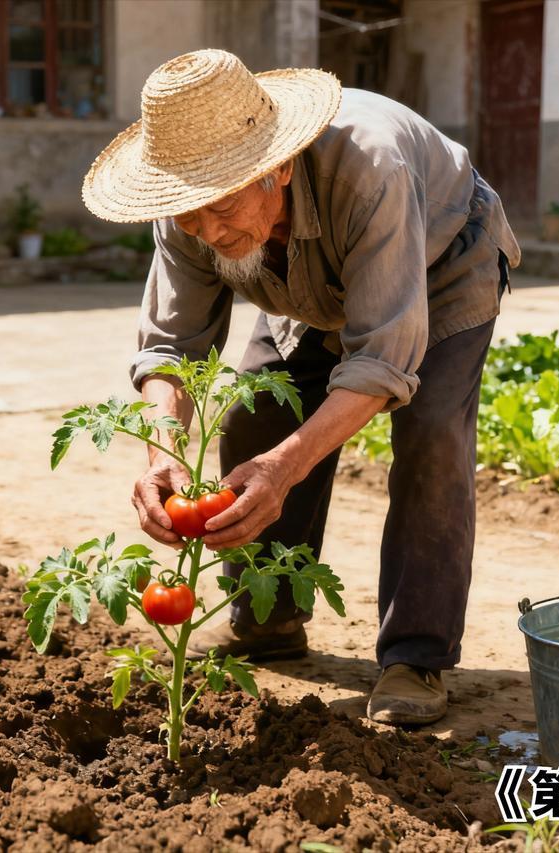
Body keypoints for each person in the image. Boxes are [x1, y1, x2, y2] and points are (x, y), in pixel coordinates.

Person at [80, 49, 519, 726]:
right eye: (192, 219)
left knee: (431, 433)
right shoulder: (193, 210)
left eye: (222, 208)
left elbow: (381, 359)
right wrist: (161, 447)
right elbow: (170, 345)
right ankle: (267, 618)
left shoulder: (371, 166)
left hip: (442, 262)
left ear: (277, 168)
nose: (209, 233)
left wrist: (286, 469)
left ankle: (415, 654)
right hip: (311, 285)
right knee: (255, 409)